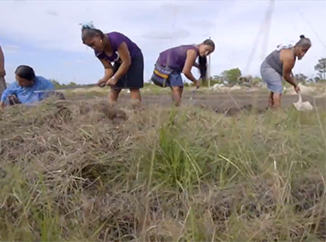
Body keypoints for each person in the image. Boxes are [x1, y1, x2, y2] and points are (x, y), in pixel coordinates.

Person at [81, 22, 144, 107]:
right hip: (120, 62)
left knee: (133, 87)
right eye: (90, 46)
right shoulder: (98, 52)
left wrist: (115, 77)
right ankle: (111, 112)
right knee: (114, 88)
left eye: (93, 43)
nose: (93, 47)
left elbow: (126, 62)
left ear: (98, 36)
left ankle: (136, 113)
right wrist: (105, 79)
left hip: (133, 57)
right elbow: (108, 68)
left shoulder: (116, 40)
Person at [150, 39, 215, 106]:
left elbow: (187, 60)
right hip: (167, 65)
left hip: (170, 65)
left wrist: (197, 66)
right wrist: (195, 81)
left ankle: (176, 105)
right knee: (176, 87)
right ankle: (179, 107)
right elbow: (186, 71)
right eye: (206, 49)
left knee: (180, 87)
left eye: (209, 53)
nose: (206, 53)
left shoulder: (193, 49)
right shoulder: (192, 52)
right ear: (201, 44)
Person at [260, 35, 312, 109]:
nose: (303, 54)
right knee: (278, 87)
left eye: (305, 51)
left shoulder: (291, 51)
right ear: (297, 46)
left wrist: (294, 83)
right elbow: (286, 76)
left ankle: (271, 108)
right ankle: (277, 112)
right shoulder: (289, 58)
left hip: (273, 68)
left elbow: (288, 70)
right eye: (302, 50)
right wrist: (295, 85)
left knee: (274, 89)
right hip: (268, 67)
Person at [0, 65, 64, 108]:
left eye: (22, 81)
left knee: (58, 95)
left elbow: (51, 91)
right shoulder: (17, 84)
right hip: (21, 106)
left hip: (39, 105)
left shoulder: (42, 83)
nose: (19, 83)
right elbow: (7, 91)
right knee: (9, 98)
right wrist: (2, 101)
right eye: (17, 80)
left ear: (31, 80)